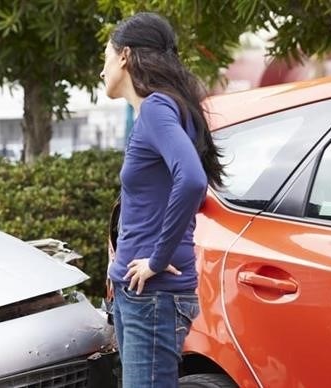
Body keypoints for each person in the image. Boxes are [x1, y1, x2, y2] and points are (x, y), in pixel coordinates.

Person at [100, 12, 225, 387]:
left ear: (124, 56)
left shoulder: (156, 108)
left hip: (150, 296)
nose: (102, 70)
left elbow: (192, 182)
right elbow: (183, 191)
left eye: (104, 58)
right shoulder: (168, 109)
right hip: (139, 292)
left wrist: (159, 257)